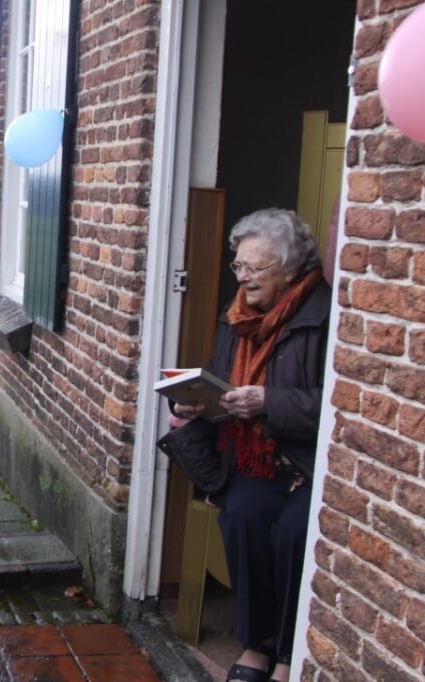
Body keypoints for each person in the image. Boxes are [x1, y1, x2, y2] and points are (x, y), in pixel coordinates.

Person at [165, 208, 331, 682]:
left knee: (294, 534)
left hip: (306, 462)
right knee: (243, 518)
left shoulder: (325, 316)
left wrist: (269, 401)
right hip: (253, 459)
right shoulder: (235, 316)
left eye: (255, 269)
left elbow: (339, 404)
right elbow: (221, 376)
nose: (243, 278)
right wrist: (196, 404)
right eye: (238, 266)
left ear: (292, 268)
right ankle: (256, 643)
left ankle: (288, 651)